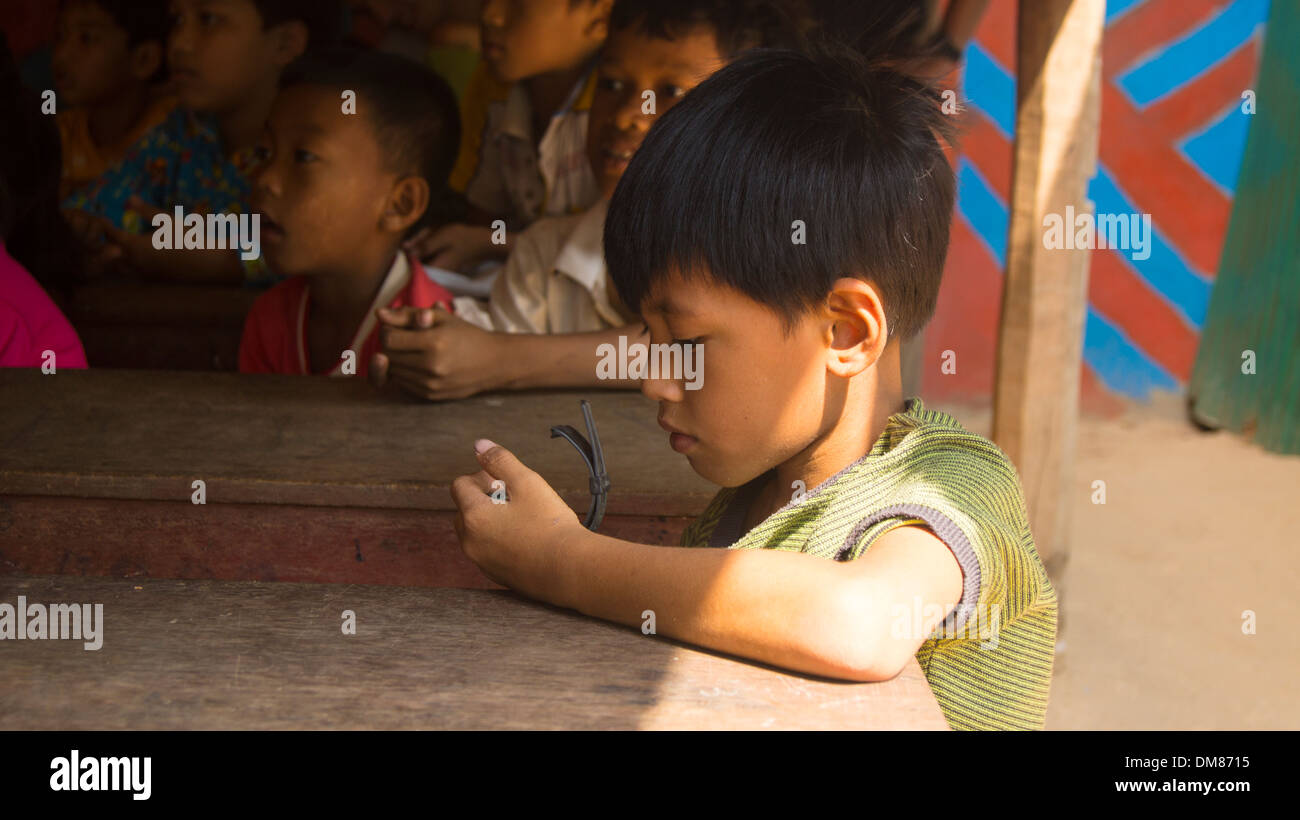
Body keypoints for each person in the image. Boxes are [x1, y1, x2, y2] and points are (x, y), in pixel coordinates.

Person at [448, 44, 1057, 731]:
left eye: (687, 343)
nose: (653, 380)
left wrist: (562, 561)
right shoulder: (741, 509)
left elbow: (862, 622)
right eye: (649, 339)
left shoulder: (952, 485)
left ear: (847, 333)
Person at [370, 0, 807, 401]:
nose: (623, 114)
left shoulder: (780, 254)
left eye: (670, 92)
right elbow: (484, 358)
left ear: (754, 128)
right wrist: (429, 354)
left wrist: (503, 360)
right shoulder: (546, 256)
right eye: (612, 84)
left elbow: (700, 355)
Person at [62, 0, 342, 285]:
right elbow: (95, 211)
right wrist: (86, 234)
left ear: (285, 43)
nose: (179, 44)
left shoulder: (324, 149)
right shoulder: (182, 133)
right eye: (178, 20)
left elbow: (337, 244)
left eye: (208, 20)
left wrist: (230, 263)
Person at [237, 47, 459, 377]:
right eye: (264, 152)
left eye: (304, 157)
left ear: (401, 203)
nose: (266, 179)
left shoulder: (427, 335)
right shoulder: (272, 318)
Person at [406, 0, 613, 271]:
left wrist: (488, 243)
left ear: (600, 18)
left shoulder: (620, 110)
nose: (490, 15)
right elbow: (488, 219)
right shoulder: (491, 90)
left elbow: (610, 255)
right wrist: (475, 243)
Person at [52, 0, 175, 196]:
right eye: (60, 36)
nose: (61, 55)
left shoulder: (177, 133)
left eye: (86, 38)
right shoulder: (55, 137)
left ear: (143, 59)